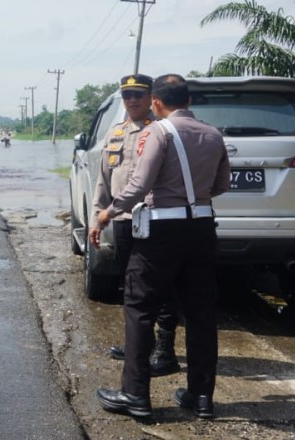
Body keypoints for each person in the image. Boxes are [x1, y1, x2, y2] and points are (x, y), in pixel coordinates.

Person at [95, 74, 230, 420]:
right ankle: (201, 397)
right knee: (201, 313)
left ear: (156, 102)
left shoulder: (158, 131)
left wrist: (108, 212)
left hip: (162, 230)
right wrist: (192, 200)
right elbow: (221, 184)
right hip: (202, 227)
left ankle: (135, 394)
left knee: (139, 308)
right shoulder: (213, 134)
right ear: (188, 101)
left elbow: (140, 184)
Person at [89, 74, 179, 377]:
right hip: (124, 221)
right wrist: (96, 219)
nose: (132, 101)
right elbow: (103, 181)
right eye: (127, 95)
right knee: (130, 285)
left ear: (151, 97)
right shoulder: (115, 134)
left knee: (160, 285)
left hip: (155, 219)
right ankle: (139, 343)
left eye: (138, 95)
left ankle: (165, 350)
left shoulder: (162, 131)